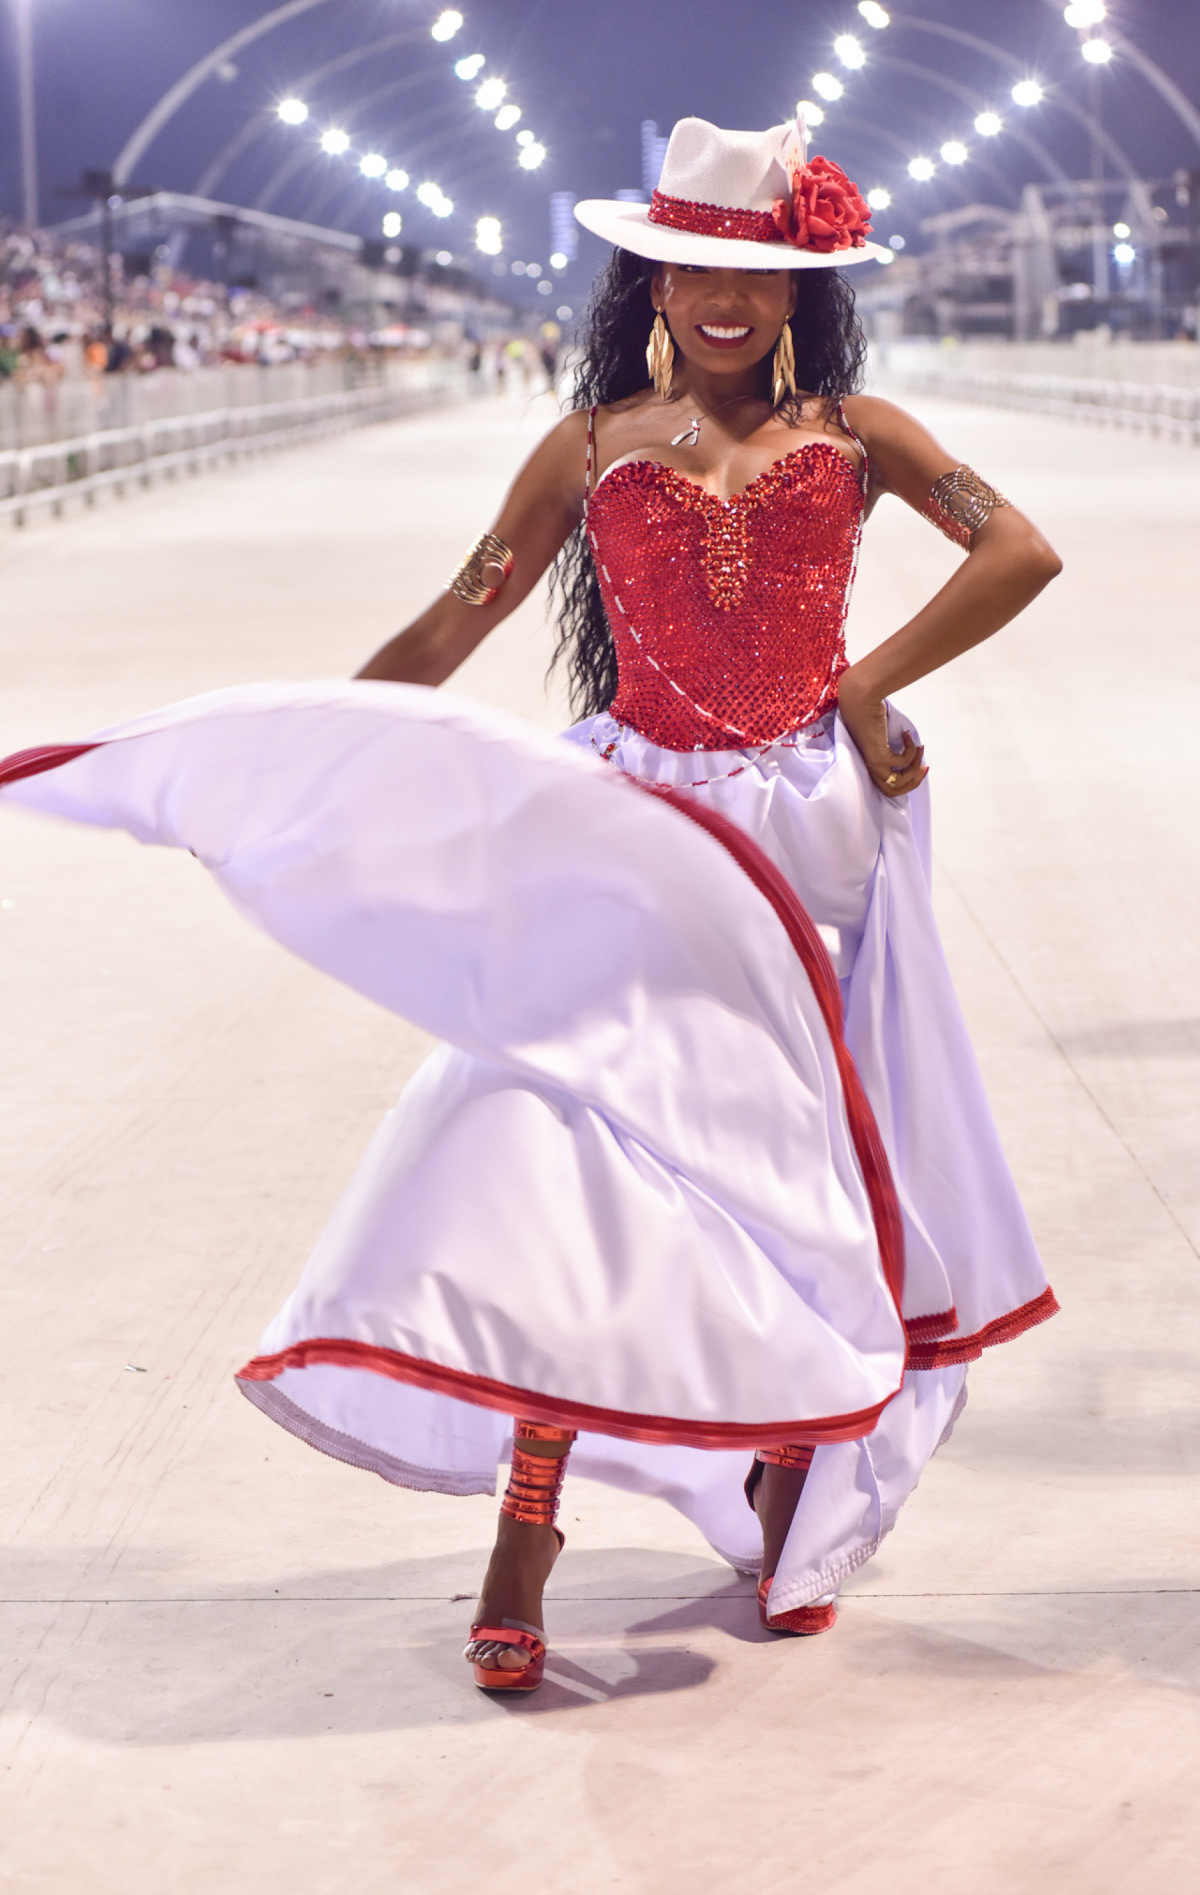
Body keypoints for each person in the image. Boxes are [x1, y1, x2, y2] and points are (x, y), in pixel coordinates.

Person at [0, 117, 1062, 1696]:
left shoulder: (862, 432)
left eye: (757, 274)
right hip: (621, 828)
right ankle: (529, 1518)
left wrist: (858, 686)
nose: (722, 298)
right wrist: (311, 742)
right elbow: (458, 616)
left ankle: (783, 1462)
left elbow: (1020, 550)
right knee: (558, 1144)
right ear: (653, 274)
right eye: (696, 265)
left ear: (800, 295)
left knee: (768, 1177)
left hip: (789, 846)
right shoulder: (582, 448)